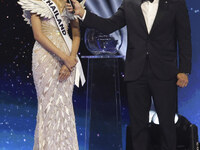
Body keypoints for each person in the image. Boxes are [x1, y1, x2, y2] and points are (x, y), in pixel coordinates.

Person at [66, 0, 192, 149]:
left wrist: (184, 70)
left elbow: (184, 37)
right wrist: (83, 13)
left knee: (167, 126)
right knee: (138, 127)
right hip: (136, 73)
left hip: (164, 73)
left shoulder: (175, 3)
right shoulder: (129, 4)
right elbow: (109, 25)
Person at [18, 0, 85, 149]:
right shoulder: (37, 2)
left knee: (64, 104)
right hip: (45, 56)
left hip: (68, 59)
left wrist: (71, 59)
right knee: (47, 104)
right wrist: (65, 58)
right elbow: (38, 35)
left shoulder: (71, 4)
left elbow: (76, 34)